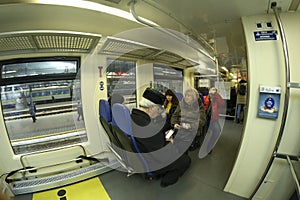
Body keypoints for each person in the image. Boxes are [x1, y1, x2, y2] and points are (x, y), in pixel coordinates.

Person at [131, 87, 191, 188]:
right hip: (154, 162)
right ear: (150, 108)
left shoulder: (134, 116)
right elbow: (164, 155)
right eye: (158, 109)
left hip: (144, 152)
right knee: (185, 160)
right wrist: (169, 141)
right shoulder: (148, 128)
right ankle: (166, 181)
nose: (159, 113)